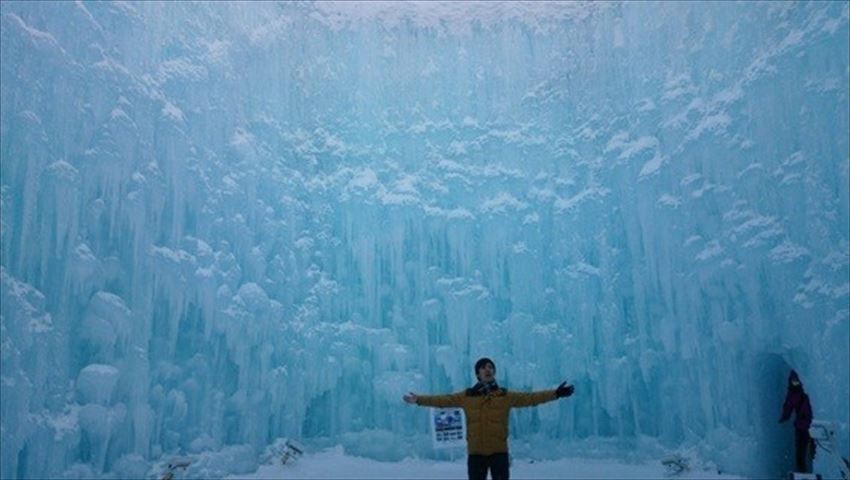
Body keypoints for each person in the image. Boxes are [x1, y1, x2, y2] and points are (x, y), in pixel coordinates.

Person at [403, 357, 575, 480]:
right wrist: (419, 399)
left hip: (499, 453)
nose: (488, 369)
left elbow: (531, 398)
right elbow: (442, 400)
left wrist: (555, 394)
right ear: (477, 374)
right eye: (484, 367)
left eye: (491, 367)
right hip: (476, 455)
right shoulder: (466, 396)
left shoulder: (505, 396)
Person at [779, 369, 814, 473]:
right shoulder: (793, 393)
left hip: (812, 426)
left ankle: (811, 471)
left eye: (797, 381)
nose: (795, 383)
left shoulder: (805, 393)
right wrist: (785, 416)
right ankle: (802, 472)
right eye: (794, 381)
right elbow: (788, 406)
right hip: (801, 427)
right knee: (800, 452)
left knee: (813, 451)